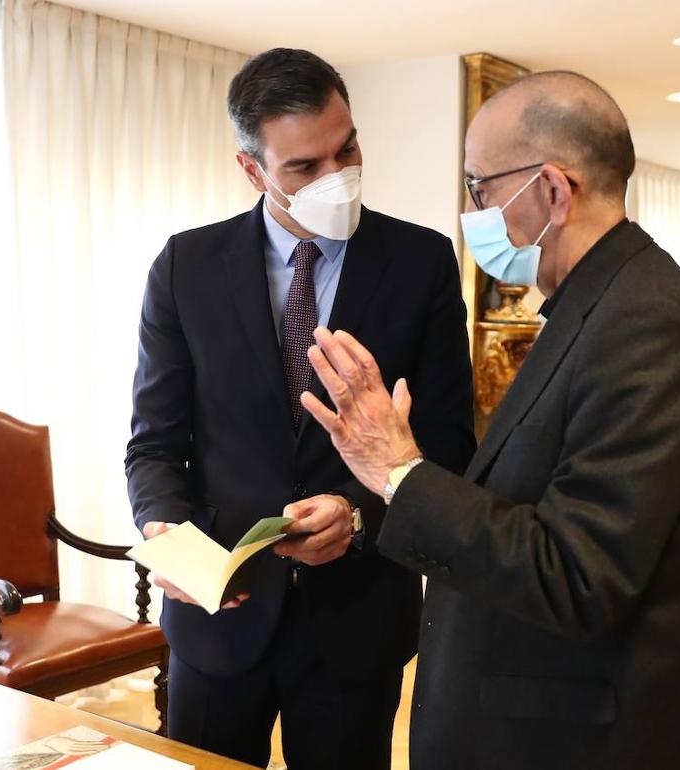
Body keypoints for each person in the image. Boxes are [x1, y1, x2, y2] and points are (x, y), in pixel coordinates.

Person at [300, 71, 680, 769]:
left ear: (552, 191)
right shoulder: (599, 303)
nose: (476, 211)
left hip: (598, 737)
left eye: (480, 188)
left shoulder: (645, 324)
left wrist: (400, 472)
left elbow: (577, 574)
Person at [124, 48, 475, 770]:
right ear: (252, 171)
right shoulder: (186, 268)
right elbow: (155, 445)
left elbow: (447, 445)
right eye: (304, 167)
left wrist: (358, 512)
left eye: (345, 149)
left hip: (356, 619)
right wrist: (164, 531)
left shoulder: (422, 264)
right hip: (219, 615)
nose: (334, 176)